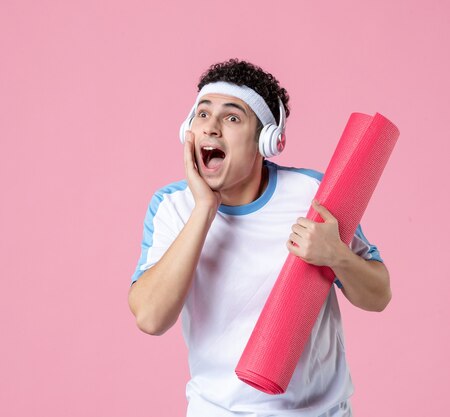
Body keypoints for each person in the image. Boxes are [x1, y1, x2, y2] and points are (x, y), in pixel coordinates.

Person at [128, 59, 391, 417]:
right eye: (202, 115)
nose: (212, 129)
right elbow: (151, 318)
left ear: (266, 140)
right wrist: (205, 208)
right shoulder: (172, 206)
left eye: (232, 118)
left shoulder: (313, 194)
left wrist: (336, 255)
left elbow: (379, 296)